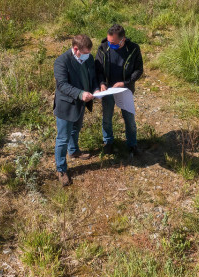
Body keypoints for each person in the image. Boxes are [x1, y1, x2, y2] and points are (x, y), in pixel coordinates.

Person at [53, 34, 99, 185]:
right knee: (62, 138)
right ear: (76, 49)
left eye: (89, 53)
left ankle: (73, 151)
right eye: (85, 53)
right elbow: (62, 85)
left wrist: (96, 89)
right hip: (66, 105)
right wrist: (80, 94)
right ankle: (61, 169)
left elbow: (92, 77)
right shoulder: (61, 61)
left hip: (81, 104)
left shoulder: (89, 58)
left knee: (76, 129)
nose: (88, 56)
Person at [95, 24, 143, 157]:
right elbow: (98, 69)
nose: (110, 45)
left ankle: (132, 144)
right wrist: (102, 83)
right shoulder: (103, 48)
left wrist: (125, 83)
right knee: (107, 117)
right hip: (108, 90)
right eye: (109, 41)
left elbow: (139, 70)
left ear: (123, 39)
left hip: (124, 90)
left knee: (129, 118)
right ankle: (108, 142)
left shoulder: (133, 49)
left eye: (114, 43)